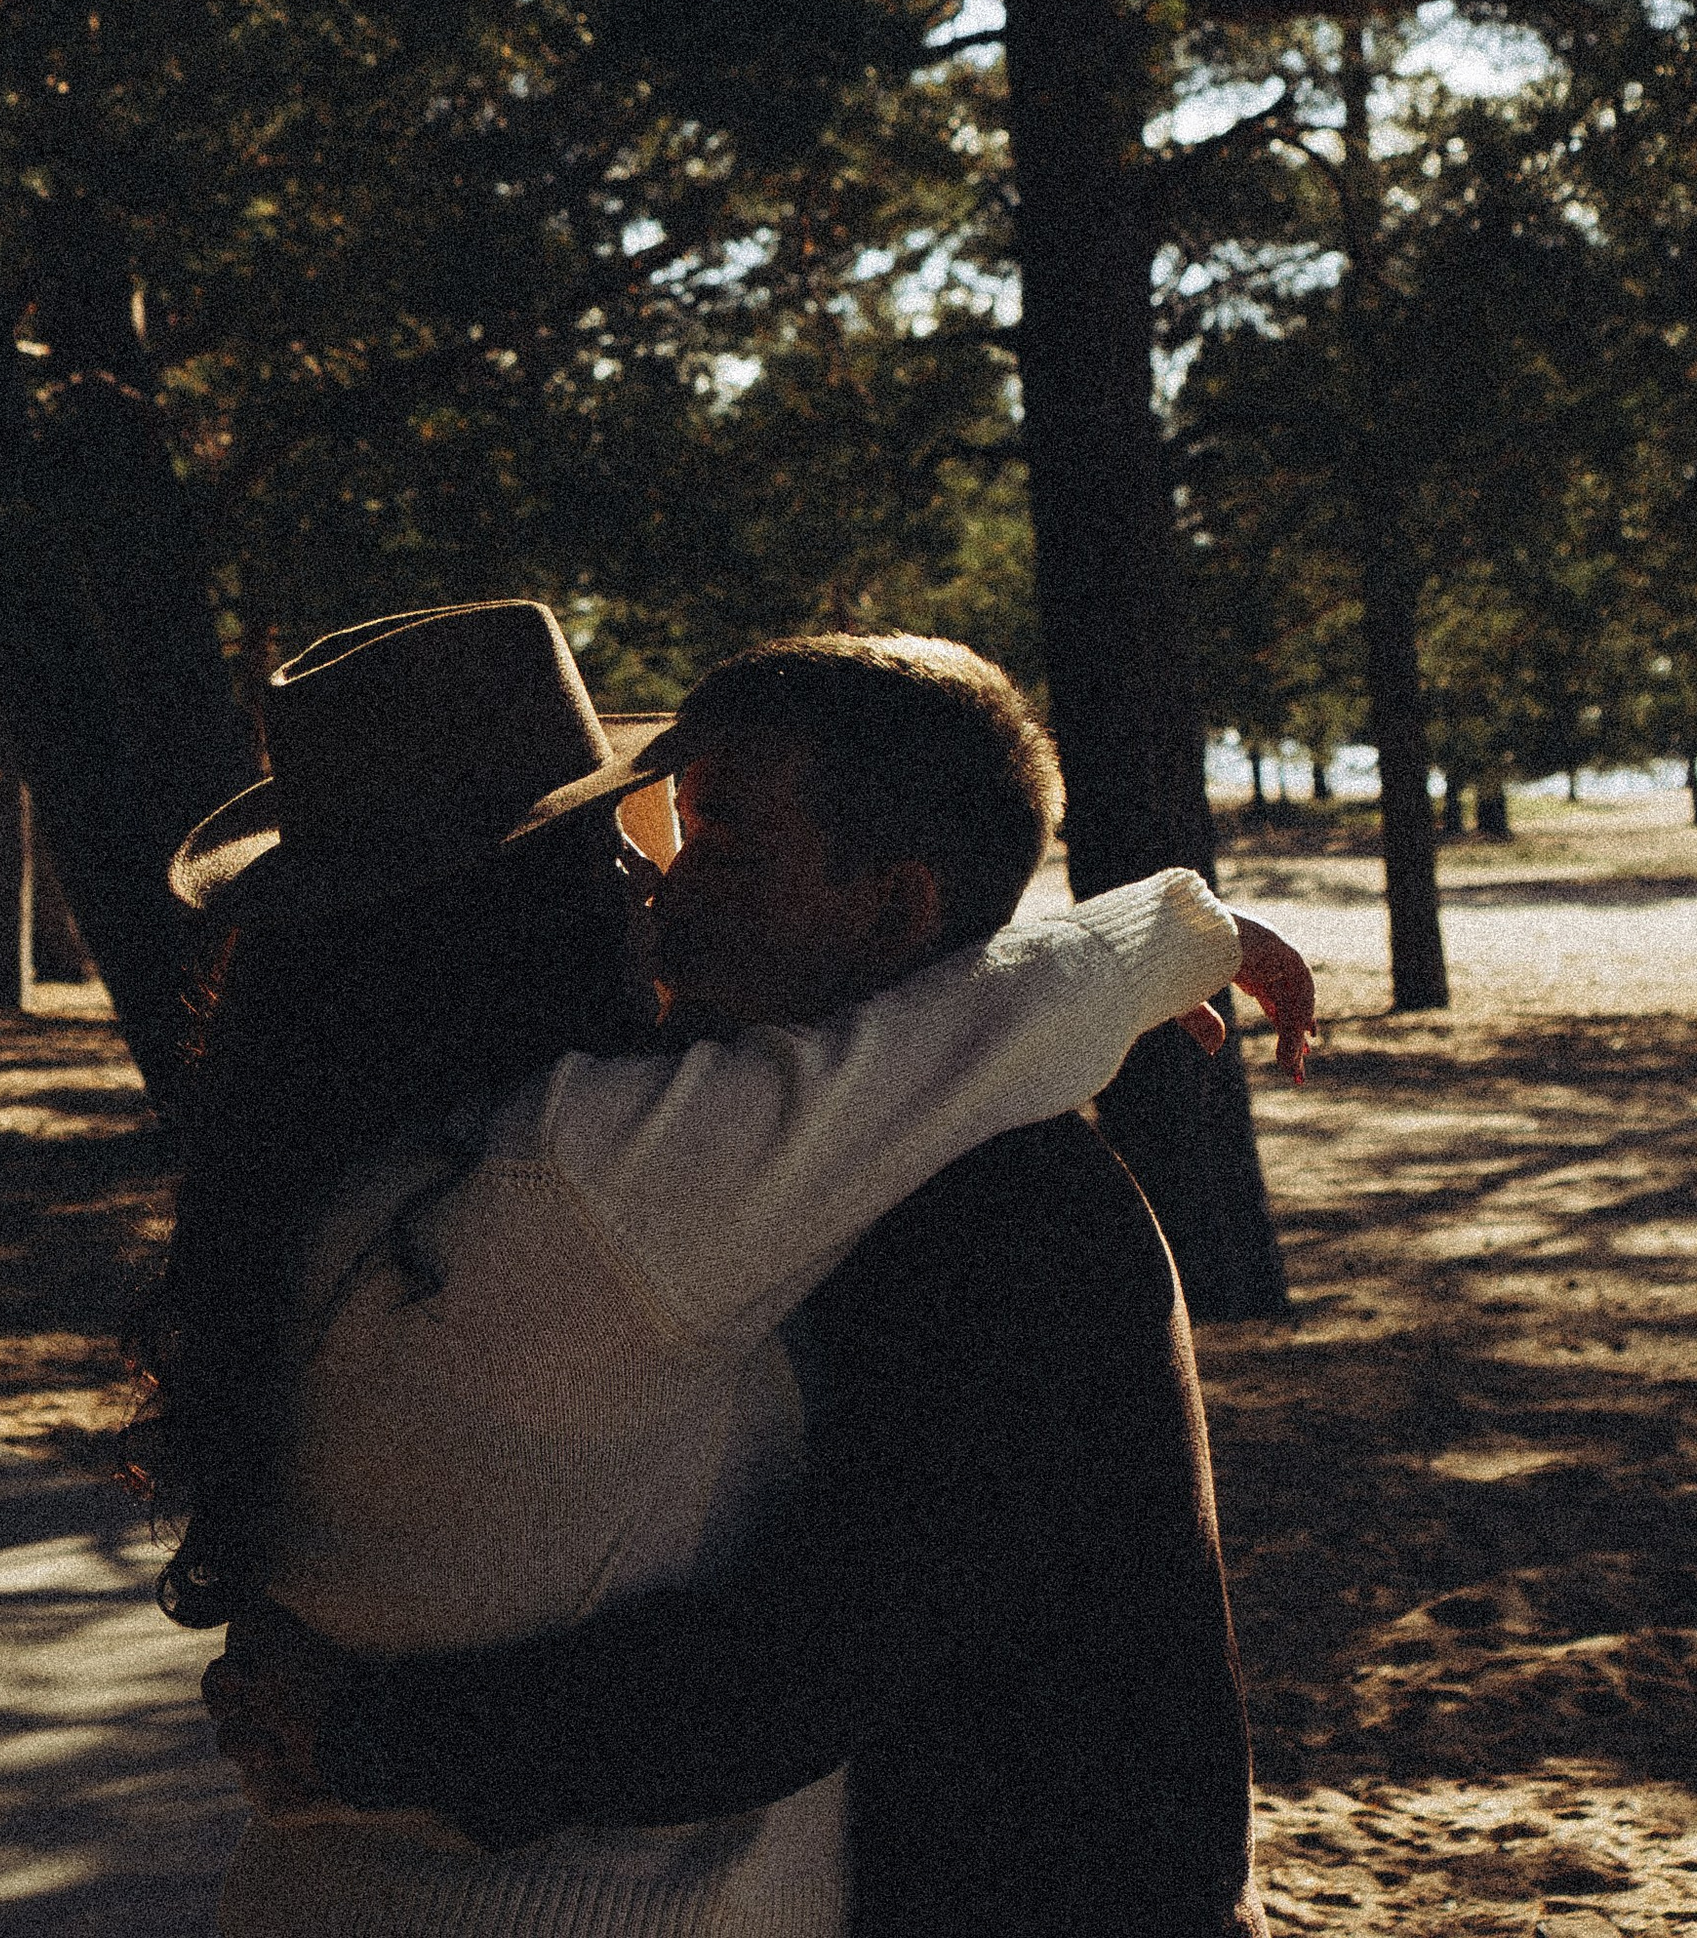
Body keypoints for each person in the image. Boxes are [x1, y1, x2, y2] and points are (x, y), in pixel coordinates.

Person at [131, 602, 1301, 1938]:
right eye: (619, 844)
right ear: (518, 913)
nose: (656, 884)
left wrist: (362, 1733)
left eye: (716, 837)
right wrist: (1179, 931)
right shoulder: (598, 1174)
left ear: (894, 908)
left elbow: (806, 1665)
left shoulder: (998, 1207)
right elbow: (783, 1676)